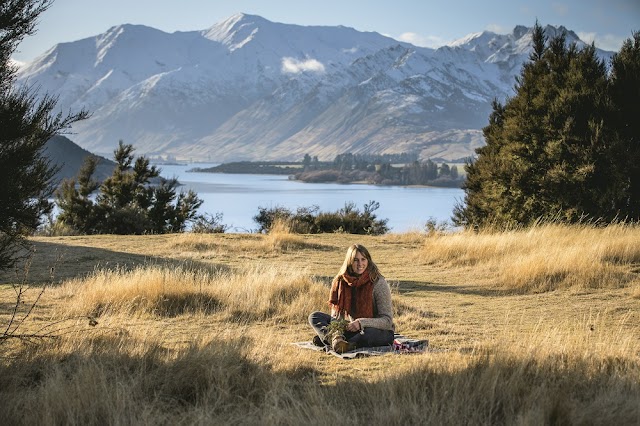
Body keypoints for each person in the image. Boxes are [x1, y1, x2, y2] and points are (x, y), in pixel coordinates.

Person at [308, 244, 395, 353]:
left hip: (376, 331)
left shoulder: (378, 283)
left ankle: (331, 341)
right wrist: (337, 333)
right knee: (315, 316)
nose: (360, 264)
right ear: (349, 262)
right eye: (355, 260)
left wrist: (361, 323)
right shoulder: (341, 282)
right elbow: (336, 317)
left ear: (368, 261)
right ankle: (337, 341)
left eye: (363, 259)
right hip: (352, 328)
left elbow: (387, 321)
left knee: (369, 335)